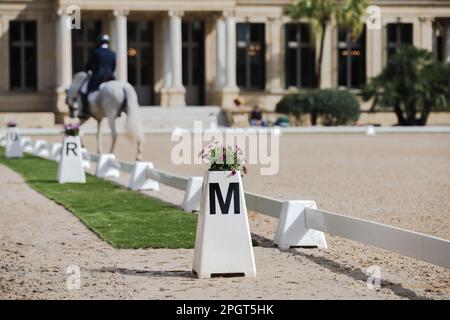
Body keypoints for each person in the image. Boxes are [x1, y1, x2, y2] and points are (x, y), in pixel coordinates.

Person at [79, 34, 116, 119]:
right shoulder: (112, 53)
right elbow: (113, 67)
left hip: (98, 77)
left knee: (84, 90)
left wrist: (87, 69)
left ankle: (85, 110)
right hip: (110, 77)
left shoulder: (96, 52)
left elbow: (89, 65)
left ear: (99, 41)